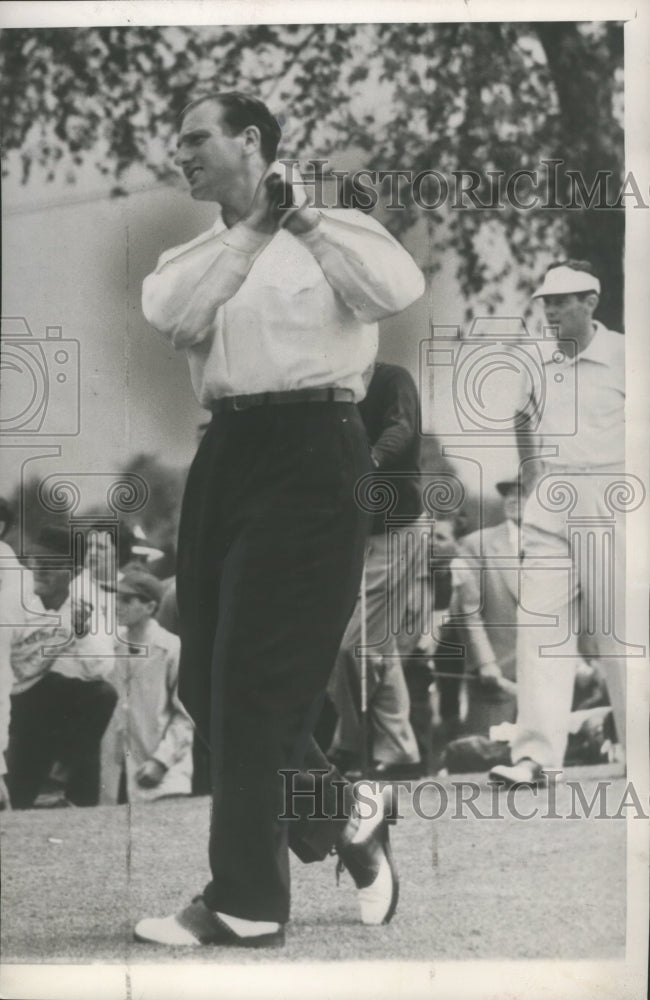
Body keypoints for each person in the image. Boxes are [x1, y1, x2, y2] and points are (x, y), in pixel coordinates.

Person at [135, 91, 425, 946]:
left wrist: (301, 225)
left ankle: (246, 903)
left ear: (250, 141)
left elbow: (393, 289)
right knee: (204, 682)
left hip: (317, 450)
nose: (180, 155)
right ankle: (347, 813)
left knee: (256, 685)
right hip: (226, 452)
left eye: (195, 138)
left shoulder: (336, 226)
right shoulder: (192, 254)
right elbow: (175, 318)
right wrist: (253, 232)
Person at [490, 259, 626, 788]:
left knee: (620, 635)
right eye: (545, 301)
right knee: (540, 626)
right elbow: (521, 416)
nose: (549, 310)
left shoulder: (625, 354)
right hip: (551, 496)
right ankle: (535, 757)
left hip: (615, 494)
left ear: (591, 302)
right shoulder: (534, 357)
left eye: (561, 301)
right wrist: (531, 483)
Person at [327, 361, 423, 779]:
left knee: (352, 645)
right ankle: (401, 751)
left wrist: (366, 463)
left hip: (395, 528)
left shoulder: (389, 378)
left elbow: (402, 430)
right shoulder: (325, 383)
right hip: (351, 534)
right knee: (371, 645)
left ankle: (348, 745)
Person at [5, 525, 117, 808]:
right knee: (15, 800)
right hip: (9, 704)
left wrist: (81, 631)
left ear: (75, 571)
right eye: (34, 562)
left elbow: (100, 670)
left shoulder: (81, 605)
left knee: (101, 694)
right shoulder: (11, 605)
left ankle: (69, 789)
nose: (39, 570)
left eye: (51, 564)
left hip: (35, 705)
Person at [100, 569, 193, 804]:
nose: (117, 605)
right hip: (116, 773)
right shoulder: (111, 647)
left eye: (127, 599)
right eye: (116, 597)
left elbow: (186, 715)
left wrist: (162, 761)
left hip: (162, 773)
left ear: (150, 607)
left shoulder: (171, 648)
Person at [449, 477, 522, 736]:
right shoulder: (477, 544)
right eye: (509, 493)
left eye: (523, 493)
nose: (513, 499)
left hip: (547, 678)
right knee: (484, 761)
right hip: (496, 678)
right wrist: (485, 662)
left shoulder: (557, 548)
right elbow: (467, 611)